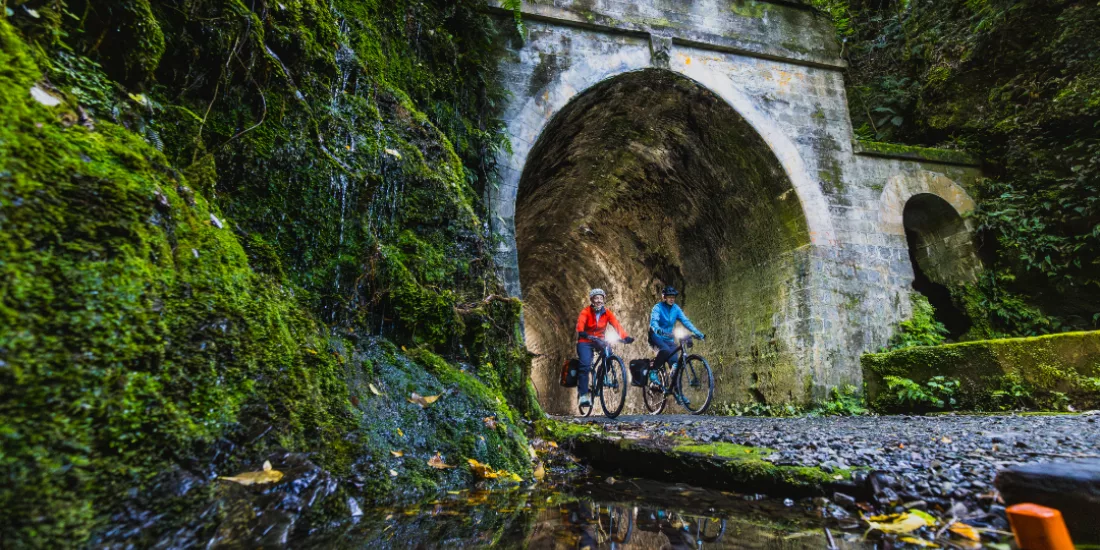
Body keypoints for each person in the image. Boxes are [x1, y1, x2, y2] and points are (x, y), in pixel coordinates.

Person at [575, 288, 633, 407]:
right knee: (585, 365)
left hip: (599, 340)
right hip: (585, 341)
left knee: (609, 355)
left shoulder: (607, 313)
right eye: (596, 298)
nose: (599, 301)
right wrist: (584, 333)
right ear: (591, 300)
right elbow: (580, 327)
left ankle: (601, 375)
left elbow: (616, 325)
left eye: (601, 298)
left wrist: (625, 337)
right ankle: (583, 396)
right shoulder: (585, 312)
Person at [636, 286, 704, 387]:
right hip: (656, 336)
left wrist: (697, 333)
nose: (672, 299)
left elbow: (686, 321)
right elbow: (654, 321)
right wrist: (657, 329)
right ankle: (653, 371)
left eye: (673, 297)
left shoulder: (676, 309)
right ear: (664, 297)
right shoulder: (657, 308)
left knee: (675, 364)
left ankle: (677, 394)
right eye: (669, 297)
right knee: (666, 350)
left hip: (668, 338)